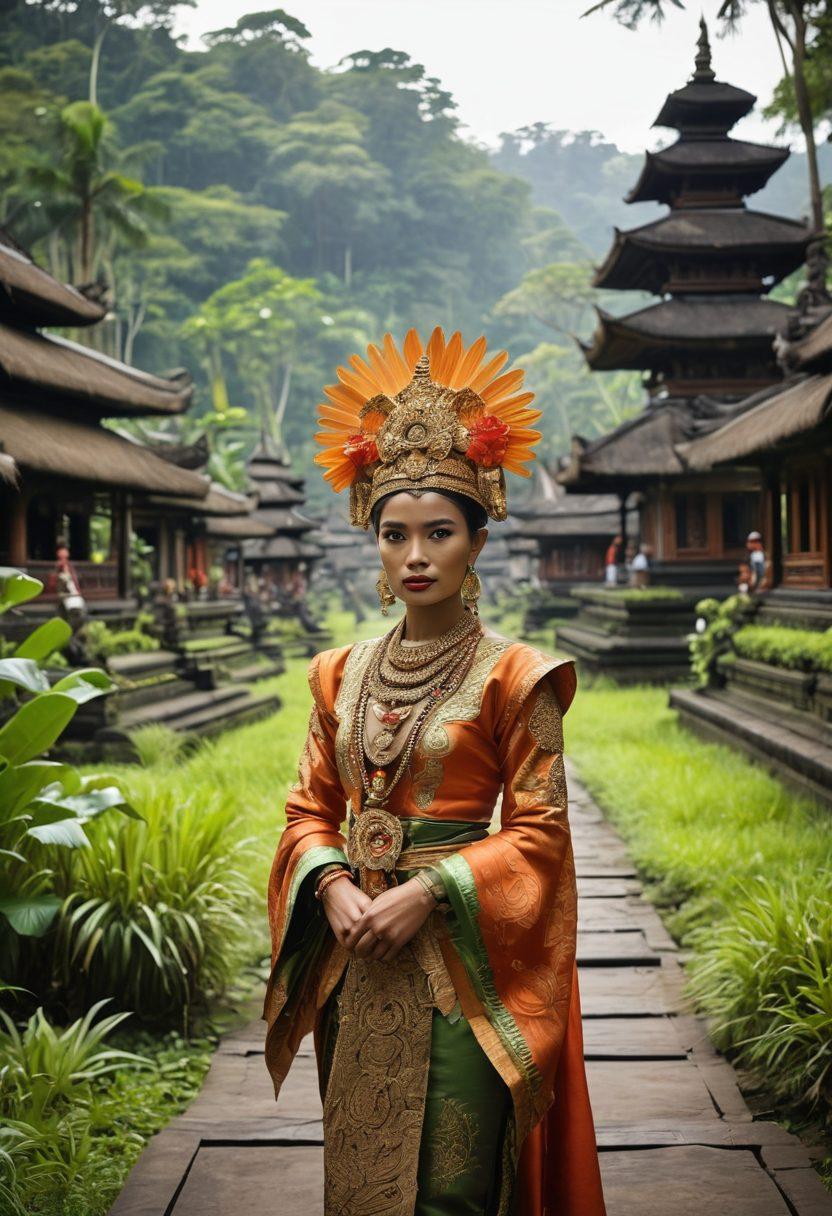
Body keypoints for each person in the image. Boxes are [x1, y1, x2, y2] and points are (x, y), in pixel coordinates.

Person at [262, 328, 607, 1216]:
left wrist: (429, 889)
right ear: (374, 544)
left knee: (450, 1190)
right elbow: (309, 808)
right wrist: (332, 885)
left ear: (476, 542)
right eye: (395, 533)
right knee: (362, 1180)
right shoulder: (338, 674)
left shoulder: (515, 678)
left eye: (439, 533)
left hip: (459, 957)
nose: (416, 555)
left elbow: (541, 832)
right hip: (355, 957)